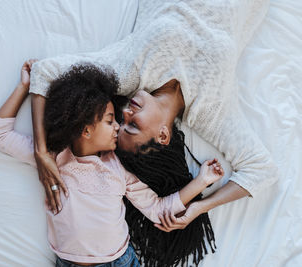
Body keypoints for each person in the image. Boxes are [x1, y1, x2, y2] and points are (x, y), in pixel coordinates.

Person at [27, 0, 278, 266]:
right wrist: (197, 208)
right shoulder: (210, 112)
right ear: (162, 136)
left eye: (120, 120)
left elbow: (44, 72)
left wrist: (42, 151)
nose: (126, 113)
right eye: (132, 126)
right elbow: (262, 171)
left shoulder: (128, 74)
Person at [0, 61, 224, 266]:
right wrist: (24, 87)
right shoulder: (52, 158)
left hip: (120, 260)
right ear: (85, 130)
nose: (118, 127)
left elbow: (158, 209)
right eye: (110, 121)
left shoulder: (118, 169)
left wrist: (201, 181)